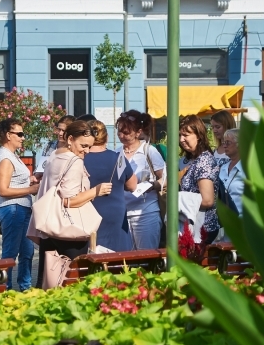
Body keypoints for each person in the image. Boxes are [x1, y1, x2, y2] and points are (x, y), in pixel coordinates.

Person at [32, 120, 112, 287]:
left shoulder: (56, 154)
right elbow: (70, 200)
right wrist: (96, 191)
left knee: (48, 280)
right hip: (69, 231)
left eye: (89, 146)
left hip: (49, 227)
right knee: (72, 282)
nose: (87, 151)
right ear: (70, 139)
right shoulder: (74, 161)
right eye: (83, 145)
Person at [0, 119, 40, 291]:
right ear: (8, 135)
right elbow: (3, 190)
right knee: (10, 254)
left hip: (21, 209)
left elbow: (15, 181)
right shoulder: (6, 158)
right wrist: (31, 189)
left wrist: (31, 180)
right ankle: (4, 290)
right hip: (12, 209)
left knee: (27, 252)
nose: (23, 137)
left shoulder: (13, 155)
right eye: (19, 134)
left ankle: (25, 288)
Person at [84, 120, 137, 252]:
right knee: (118, 261)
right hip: (115, 216)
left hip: (89, 215)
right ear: (106, 137)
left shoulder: (80, 159)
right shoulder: (118, 158)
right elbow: (132, 185)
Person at [116, 110, 165, 249]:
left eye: (126, 133)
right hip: (123, 214)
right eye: (119, 131)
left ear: (138, 132)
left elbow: (165, 179)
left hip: (146, 212)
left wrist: (151, 185)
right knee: (126, 260)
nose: (121, 136)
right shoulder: (117, 152)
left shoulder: (149, 151)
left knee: (146, 257)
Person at [178, 115, 220, 243]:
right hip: (188, 224)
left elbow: (207, 200)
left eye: (186, 135)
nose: (181, 139)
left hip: (202, 228)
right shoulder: (187, 160)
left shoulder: (204, 160)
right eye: (180, 135)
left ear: (199, 135)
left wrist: (178, 200)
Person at [217, 129, 244, 218]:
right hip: (224, 222)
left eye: (228, 143)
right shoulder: (223, 168)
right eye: (223, 142)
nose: (224, 146)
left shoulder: (248, 169)